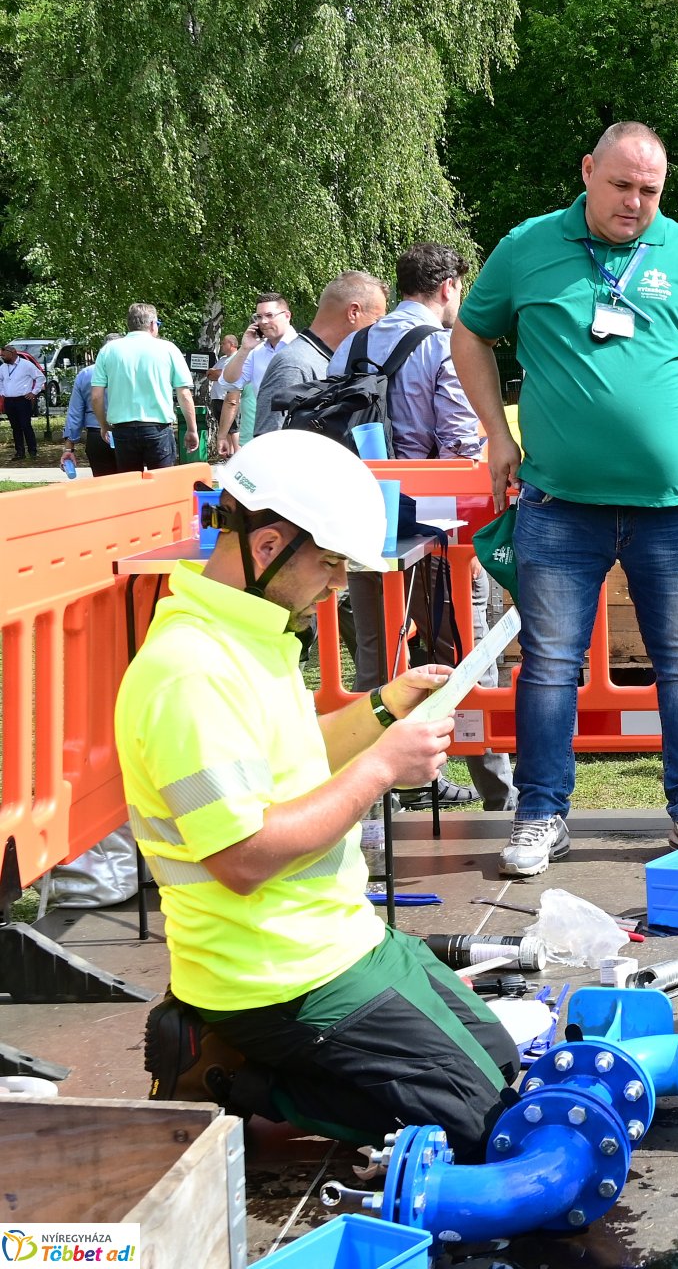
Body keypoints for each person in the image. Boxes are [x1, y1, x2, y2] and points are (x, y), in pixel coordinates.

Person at [123, 430, 517, 1161]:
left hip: (335, 938)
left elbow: (292, 755)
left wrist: (382, 709)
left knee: (503, 1072)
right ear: (269, 545)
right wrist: (380, 770)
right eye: (330, 562)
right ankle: (232, 1078)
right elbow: (242, 857)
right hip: (272, 972)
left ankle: (282, 1071)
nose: (338, 584)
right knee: (485, 1130)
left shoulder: (246, 635)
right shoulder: (191, 674)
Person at [451, 120, 678, 878]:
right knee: (551, 665)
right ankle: (540, 816)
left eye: (651, 191)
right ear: (588, 169)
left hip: (673, 508)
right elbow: (471, 335)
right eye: (623, 186)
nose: (636, 204)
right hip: (559, 506)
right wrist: (496, 433)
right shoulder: (529, 245)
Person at [336, 242, 513, 813]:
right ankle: (501, 795)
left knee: (376, 652)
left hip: (368, 522)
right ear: (447, 289)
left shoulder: (351, 346)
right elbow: (463, 446)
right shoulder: (443, 347)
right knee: (467, 656)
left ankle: (376, 794)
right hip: (440, 531)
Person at [254, 272, 388, 436]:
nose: (378, 329)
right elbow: (268, 445)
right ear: (353, 312)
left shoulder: (330, 361)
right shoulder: (294, 365)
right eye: (377, 320)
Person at [93, 304, 199, 472]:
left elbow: (96, 396)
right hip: (158, 428)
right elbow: (184, 394)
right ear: (152, 324)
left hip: (122, 429)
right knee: (162, 487)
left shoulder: (108, 350)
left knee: (130, 488)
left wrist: (103, 425)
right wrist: (192, 428)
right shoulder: (168, 349)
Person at [217, 292, 294, 454]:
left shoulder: (301, 346)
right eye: (258, 317)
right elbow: (228, 382)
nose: (263, 322)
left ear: (287, 316)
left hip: (296, 433)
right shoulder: (256, 351)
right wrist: (244, 348)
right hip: (264, 433)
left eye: (269, 315)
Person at [61, 345, 115, 478]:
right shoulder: (131, 371)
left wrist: (69, 447)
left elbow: (75, 413)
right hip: (127, 433)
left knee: (103, 485)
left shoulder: (86, 374)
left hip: (97, 435)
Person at [1, 343, 44, 460]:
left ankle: (32, 451)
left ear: (13, 353)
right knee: (15, 427)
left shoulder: (26, 365)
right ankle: (19, 452)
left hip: (23, 399)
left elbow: (40, 378)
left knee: (25, 425)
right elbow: (1, 380)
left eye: (4, 355)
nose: (2, 357)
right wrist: (3, 392)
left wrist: (34, 392)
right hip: (9, 400)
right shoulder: (3, 367)